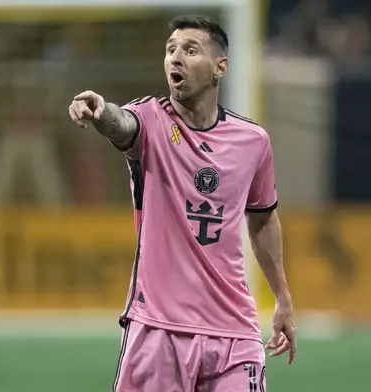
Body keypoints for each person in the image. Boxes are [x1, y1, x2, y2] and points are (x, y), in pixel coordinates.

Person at [69, 15, 296, 392]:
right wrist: (101, 111)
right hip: (159, 329)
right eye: (170, 50)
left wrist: (282, 298)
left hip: (234, 333)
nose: (175, 58)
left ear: (220, 67)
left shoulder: (253, 141)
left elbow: (262, 219)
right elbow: (123, 125)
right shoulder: (152, 120)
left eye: (190, 50)